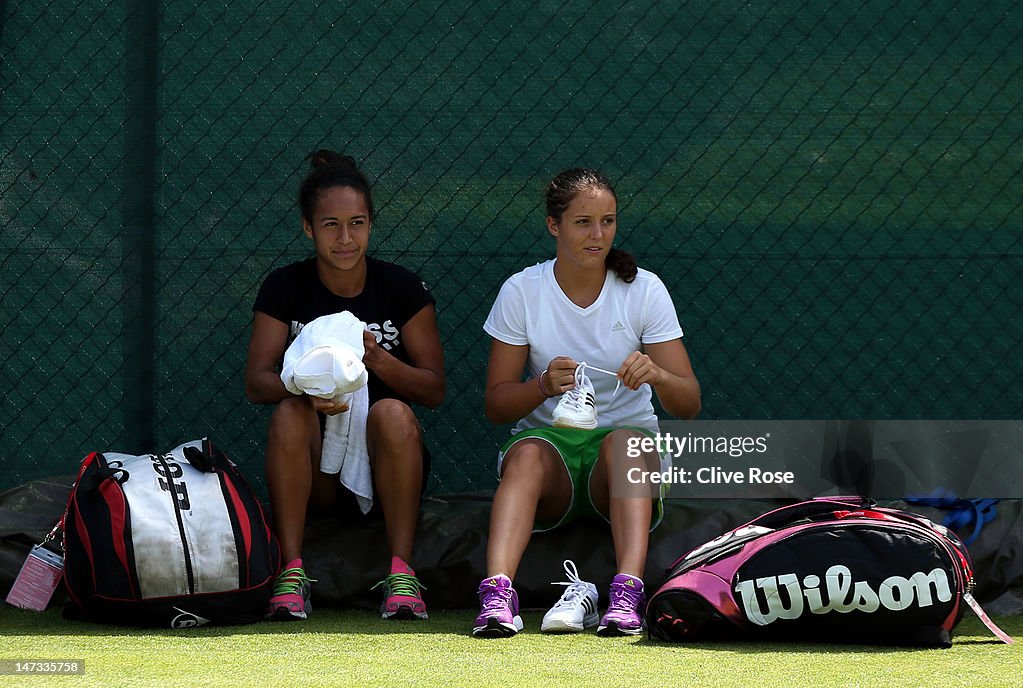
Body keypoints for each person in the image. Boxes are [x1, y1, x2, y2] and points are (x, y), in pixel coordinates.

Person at [473, 168, 700, 637]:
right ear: (554, 225)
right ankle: (497, 597)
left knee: (626, 444)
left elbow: (689, 402)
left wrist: (656, 374)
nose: (598, 235)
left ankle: (626, 595)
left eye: (608, 221)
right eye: (582, 223)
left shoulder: (644, 289)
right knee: (529, 452)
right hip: (550, 460)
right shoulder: (522, 291)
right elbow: (496, 406)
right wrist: (540, 387)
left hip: (620, 464)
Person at [245, 150, 445, 622]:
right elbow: (257, 381)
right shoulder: (285, 287)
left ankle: (402, 574)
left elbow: (433, 389)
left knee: (394, 412)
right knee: (289, 412)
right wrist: (303, 391)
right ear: (308, 228)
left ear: (371, 224)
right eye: (331, 224)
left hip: (384, 465)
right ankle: (290, 572)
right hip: (315, 467)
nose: (345, 237)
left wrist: (376, 359)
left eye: (356, 222)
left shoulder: (400, 288)